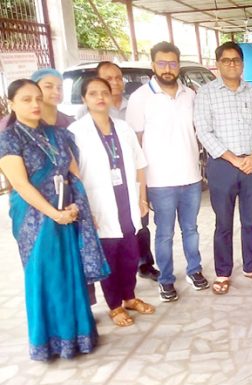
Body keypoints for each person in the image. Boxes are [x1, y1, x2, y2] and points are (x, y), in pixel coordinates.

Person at [0, 79, 109, 360]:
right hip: (34, 219)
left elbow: (74, 173)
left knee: (70, 272)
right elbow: (21, 185)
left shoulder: (58, 134)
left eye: (38, 98)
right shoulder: (9, 138)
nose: (35, 104)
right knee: (45, 275)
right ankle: (49, 343)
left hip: (68, 212)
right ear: (11, 104)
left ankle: (79, 337)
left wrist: (78, 208)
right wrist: (55, 214)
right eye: (26, 99)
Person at [69, 78, 156, 326]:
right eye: (93, 93)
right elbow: (73, 174)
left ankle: (129, 297)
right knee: (109, 259)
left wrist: (142, 197)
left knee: (130, 256)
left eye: (104, 92)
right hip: (98, 205)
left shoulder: (123, 128)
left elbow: (140, 164)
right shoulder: (77, 132)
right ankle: (115, 306)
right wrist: (84, 208)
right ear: (84, 99)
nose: (100, 97)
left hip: (126, 202)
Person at [126, 41, 209, 302]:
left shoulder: (190, 95)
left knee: (191, 229)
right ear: (153, 65)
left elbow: (197, 133)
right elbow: (135, 144)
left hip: (190, 177)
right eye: (161, 63)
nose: (167, 68)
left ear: (178, 65)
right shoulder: (140, 98)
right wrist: (141, 187)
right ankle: (166, 279)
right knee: (164, 234)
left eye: (172, 63)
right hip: (159, 181)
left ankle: (194, 270)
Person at [194, 41, 252, 295]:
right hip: (222, 165)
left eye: (236, 60)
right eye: (226, 60)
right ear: (217, 65)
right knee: (224, 222)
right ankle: (223, 272)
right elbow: (204, 132)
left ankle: (251, 266)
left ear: (242, 64)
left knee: (251, 219)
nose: (232, 64)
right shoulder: (206, 94)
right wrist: (232, 158)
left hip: (251, 164)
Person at [83, 61, 160, 280]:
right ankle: (117, 277)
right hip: (103, 184)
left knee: (140, 224)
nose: (116, 82)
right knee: (111, 232)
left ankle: (144, 263)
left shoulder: (133, 103)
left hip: (133, 177)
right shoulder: (85, 114)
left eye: (119, 77)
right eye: (109, 79)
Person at [0, 69, 73, 131]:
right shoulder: (7, 126)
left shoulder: (70, 122)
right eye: (48, 86)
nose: (56, 92)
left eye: (59, 87)